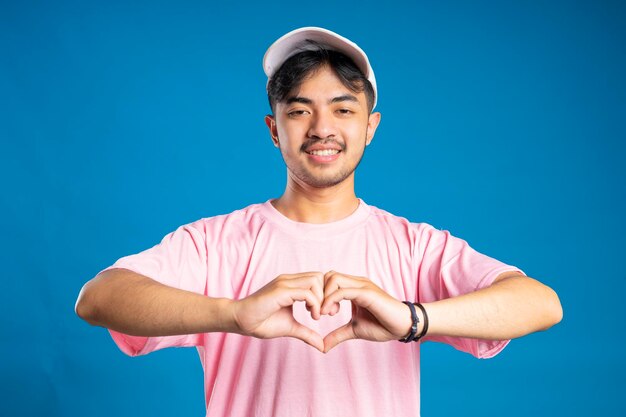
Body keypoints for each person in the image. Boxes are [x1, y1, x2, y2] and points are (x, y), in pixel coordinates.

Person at [75, 27, 562, 417]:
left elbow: (540, 304)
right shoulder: (215, 242)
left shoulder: (415, 245)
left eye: (343, 109)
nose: (322, 128)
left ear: (370, 127)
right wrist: (233, 314)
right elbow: (98, 298)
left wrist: (412, 319)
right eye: (300, 110)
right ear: (274, 130)